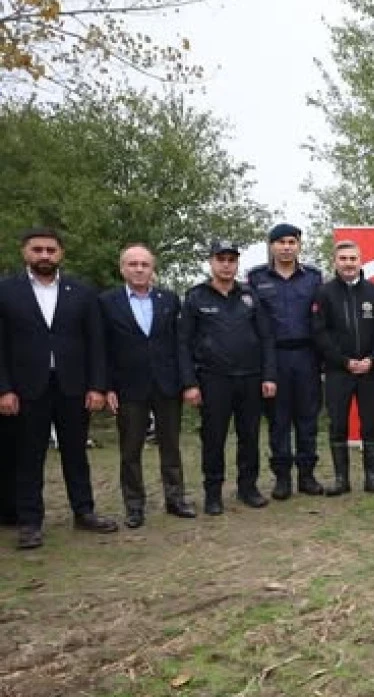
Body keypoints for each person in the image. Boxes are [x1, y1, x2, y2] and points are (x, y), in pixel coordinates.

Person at [0, 227, 118, 549]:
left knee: (76, 453)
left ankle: (85, 511)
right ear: (25, 251)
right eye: (37, 249)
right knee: (28, 457)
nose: (44, 256)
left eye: (50, 250)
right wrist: (4, 389)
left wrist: (97, 385)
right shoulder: (6, 291)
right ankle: (29, 522)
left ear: (60, 253)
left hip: (73, 387)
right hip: (26, 389)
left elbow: (96, 343)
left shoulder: (81, 292)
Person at [99, 244, 196, 528]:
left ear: (153, 268)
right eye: (133, 264)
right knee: (130, 450)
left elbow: (179, 343)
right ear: (122, 268)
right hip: (128, 386)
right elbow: (102, 347)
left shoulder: (169, 299)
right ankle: (134, 506)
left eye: (144, 264)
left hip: (167, 384)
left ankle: (176, 499)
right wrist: (106, 387)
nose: (139, 269)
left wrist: (186, 381)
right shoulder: (107, 302)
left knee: (171, 446)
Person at [179, 240, 277, 515]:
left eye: (231, 259)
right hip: (213, 379)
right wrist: (189, 383)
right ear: (210, 262)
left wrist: (269, 375)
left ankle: (248, 488)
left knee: (249, 436)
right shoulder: (196, 297)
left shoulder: (249, 295)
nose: (226, 264)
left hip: (250, 378)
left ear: (236, 263)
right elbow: (183, 343)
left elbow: (267, 338)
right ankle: (213, 493)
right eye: (220, 259)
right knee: (213, 438)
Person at [248, 223, 325, 499]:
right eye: (280, 242)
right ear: (271, 246)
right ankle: (282, 478)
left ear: (299, 245)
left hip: (307, 356)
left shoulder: (314, 278)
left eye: (292, 242)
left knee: (307, 419)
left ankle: (307, 476)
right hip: (274, 357)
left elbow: (322, 319)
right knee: (278, 421)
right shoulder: (256, 278)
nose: (286, 247)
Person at [312, 240, 374, 496]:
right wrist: (344, 361)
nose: (348, 263)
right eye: (343, 259)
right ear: (335, 262)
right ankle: (341, 479)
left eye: (352, 258)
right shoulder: (324, 293)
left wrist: (371, 360)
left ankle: (372, 477)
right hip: (337, 372)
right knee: (338, 424)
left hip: (369, 370)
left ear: (360, 260)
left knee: (370, 424)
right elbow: (320, 334)